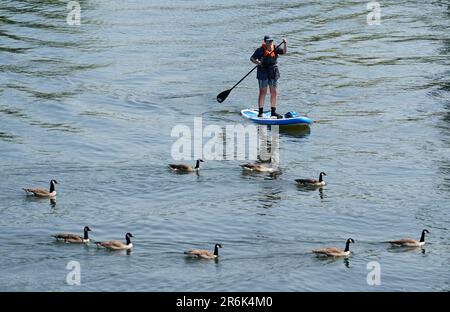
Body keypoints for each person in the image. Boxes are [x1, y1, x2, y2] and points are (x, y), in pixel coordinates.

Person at [250, 35, 287, 118]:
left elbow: (284, 52)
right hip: (263, 72)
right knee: (263, 92)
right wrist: (258, 63)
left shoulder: (275, 48)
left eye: (271, 41)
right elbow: (252, 58)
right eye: (268, 41)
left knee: (274, 92)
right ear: (264, 42)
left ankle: (273, 112)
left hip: (273, 71)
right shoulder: (260, 50)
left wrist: (285, 44)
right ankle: (260, 112)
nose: (270, 42)